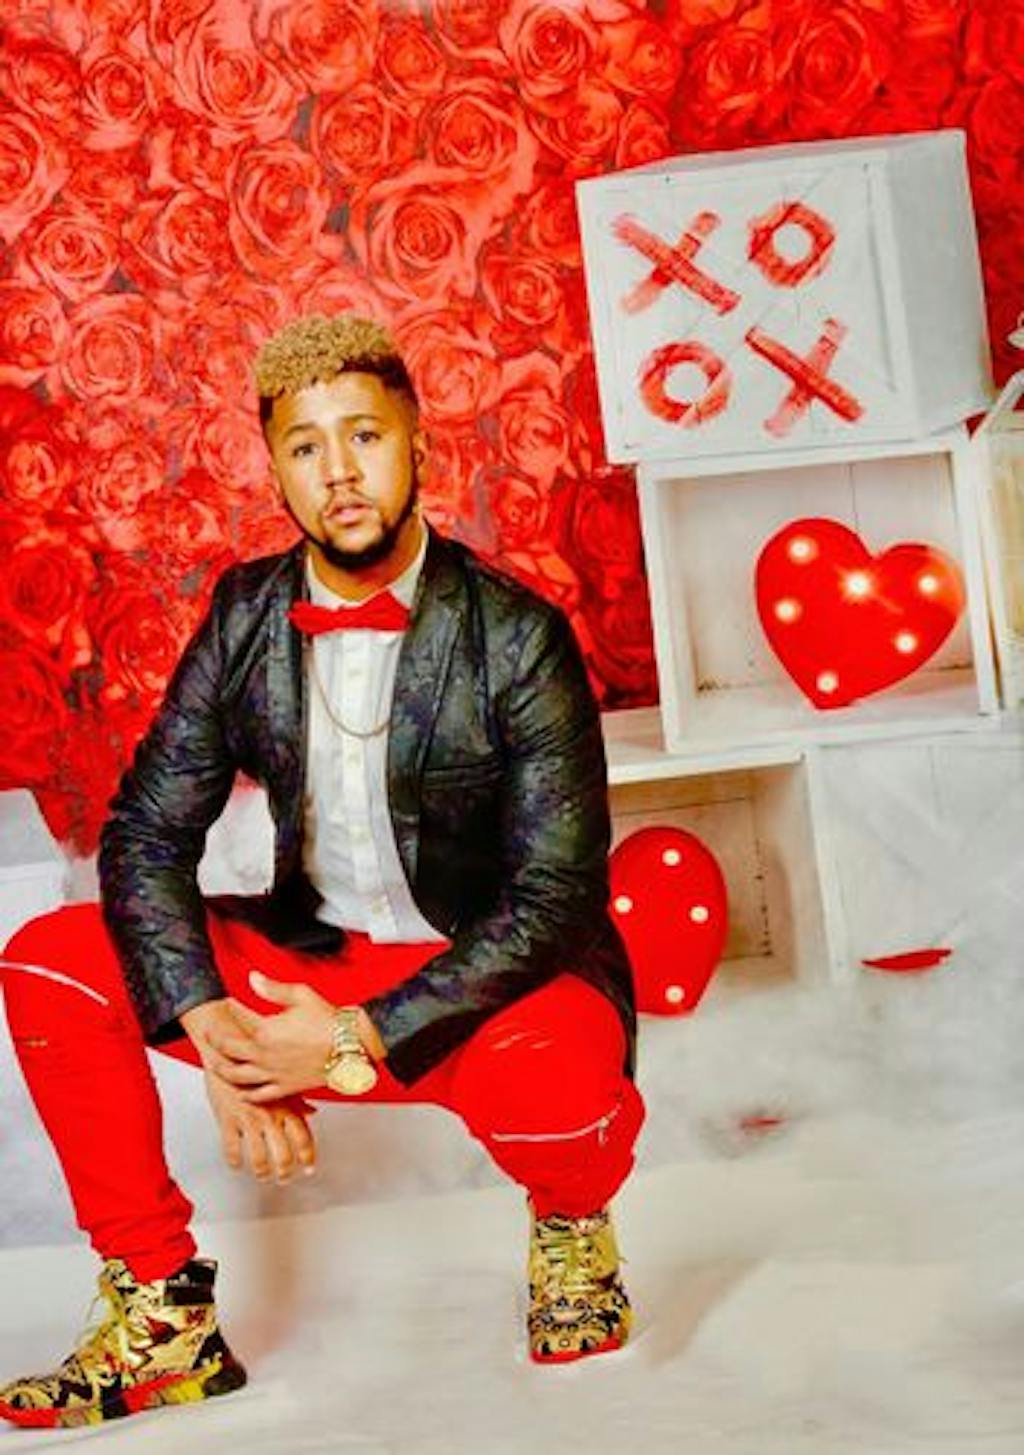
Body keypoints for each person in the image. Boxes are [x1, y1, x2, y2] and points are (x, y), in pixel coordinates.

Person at [0, 315, 643, 1430]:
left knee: (560, 1078)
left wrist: (355, 1038)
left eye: (365, 436)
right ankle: (162, 1315)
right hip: (308, 967)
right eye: (306, 446)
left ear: (419, 448)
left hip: (478, 987)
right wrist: (214, 1027)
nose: (339, 471)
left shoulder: (517, 634)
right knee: (51, 960)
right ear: (278, 469)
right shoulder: (246, 614)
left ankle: (572, 1223)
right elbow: (147, 831)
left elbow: (555, 899)